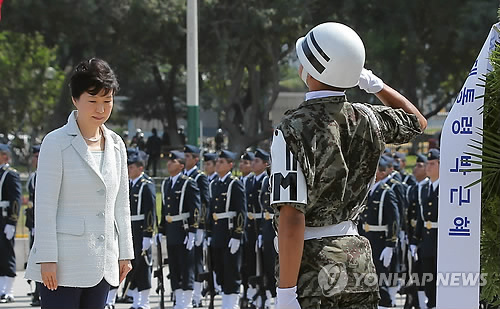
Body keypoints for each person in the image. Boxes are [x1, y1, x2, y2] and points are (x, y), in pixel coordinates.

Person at [270, 22, 427, 309]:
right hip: (357, 263)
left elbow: (292, 218)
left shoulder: (292, 128)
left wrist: (286, 295)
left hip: (311, 270)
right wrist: (376, 85)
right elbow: (416, 122)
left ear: (311, 69)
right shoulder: (368, 117)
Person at [24, 58, 134, 309]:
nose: (101, 109)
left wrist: (126, 252)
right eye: (93, 101)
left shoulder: (117, 144)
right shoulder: (56, 142)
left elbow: (121, 204)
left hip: (103, 261)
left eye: (107, 101)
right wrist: (47, 258)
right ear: (75, 100)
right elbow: (45, 205)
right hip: (64, 263)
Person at [106, 149, 156, 309]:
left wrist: (148, 234)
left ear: (141, 168)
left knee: (142, 267)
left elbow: (150, 212)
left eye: (132, 167)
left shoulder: (146, 186)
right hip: (127, 230)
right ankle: (111, 300)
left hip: (140, 230)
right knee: (121, 264)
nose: (128, 169)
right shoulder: (127, 184)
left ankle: (143, 302)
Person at [157, 150, 201, 309]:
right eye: (169, 161)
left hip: (183, 231)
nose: (169, 164)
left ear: (181, 165)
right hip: (171, 231)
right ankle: (178, 298)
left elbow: (195, 209)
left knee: (186, 265)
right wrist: (161, 230)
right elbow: (164, 209)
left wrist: (192, 231)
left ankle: (187, 301)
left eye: (173, 161)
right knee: (174, 266)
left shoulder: (188, 183)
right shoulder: (167, 183)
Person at [206, 150, 246, 309]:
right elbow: (210, 211)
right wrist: (209, 233)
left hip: (229, 234)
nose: (217, 164)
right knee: (220, 271)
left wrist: (237, 235)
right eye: (217, 161)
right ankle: (226, 302)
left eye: (221, 162)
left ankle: (231, 305)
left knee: (231, 271)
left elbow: (240, 211)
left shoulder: (234, 183)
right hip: (217, 234)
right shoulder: (214, 183)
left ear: (230, 165)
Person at [359, 157, 400, 308]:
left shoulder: (386, 192)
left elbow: (394, 220)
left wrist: (390, 244)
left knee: (380, 278)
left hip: (380, 239)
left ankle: (387, 304)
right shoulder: (368, 191)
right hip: (367, 238)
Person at [410, 149, 439, 309]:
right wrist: (415, 240)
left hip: (440, 241)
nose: (428, 167)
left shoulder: (446, 188)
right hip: (427, 242)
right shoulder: (424, 188)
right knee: (428, 279)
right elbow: (421, 217)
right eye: (427, 164)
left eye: (433, 164)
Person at [183, 144, 210, 307]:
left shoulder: (200, 177)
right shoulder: (182, 176)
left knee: (197, 260)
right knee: (185, 262)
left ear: (195, 159)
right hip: (183, 226)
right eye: (184, 157)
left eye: (188, 157)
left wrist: (200, 226)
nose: (185, 160)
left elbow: (204, 203)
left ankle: (197, 294)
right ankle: (185, 292)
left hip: (195, 226)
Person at [252, 148, 276, 308]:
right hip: (267, 230)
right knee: (267, 265)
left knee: (276, 266)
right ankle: (269, 296)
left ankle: (276, 296)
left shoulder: (277, 179)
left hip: (278, 230)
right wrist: (261, 231)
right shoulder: (267, 180)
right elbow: (263, 209)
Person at [405, 153, 429, 309]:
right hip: (415, 236)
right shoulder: (413, 189)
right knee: (415, 272)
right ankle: (416, 301)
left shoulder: (429, 188)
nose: (415, 169)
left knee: (427, 273)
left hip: (427, 236)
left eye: (419, 165)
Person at [0, 143, 22, 303]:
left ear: (5, 156)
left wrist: (12, 223)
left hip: (5, 218)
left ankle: (9, 290)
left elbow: (16, 200)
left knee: (7, 253)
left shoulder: (10, 174)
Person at [25, 145, 41, 306]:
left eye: (38, 156)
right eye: (35, 156)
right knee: (35, 257)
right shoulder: (33, 177)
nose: (35, 159)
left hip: (44, 224)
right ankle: (37, 292)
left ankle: (40, 292)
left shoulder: (46, 174)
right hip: (34, 224)